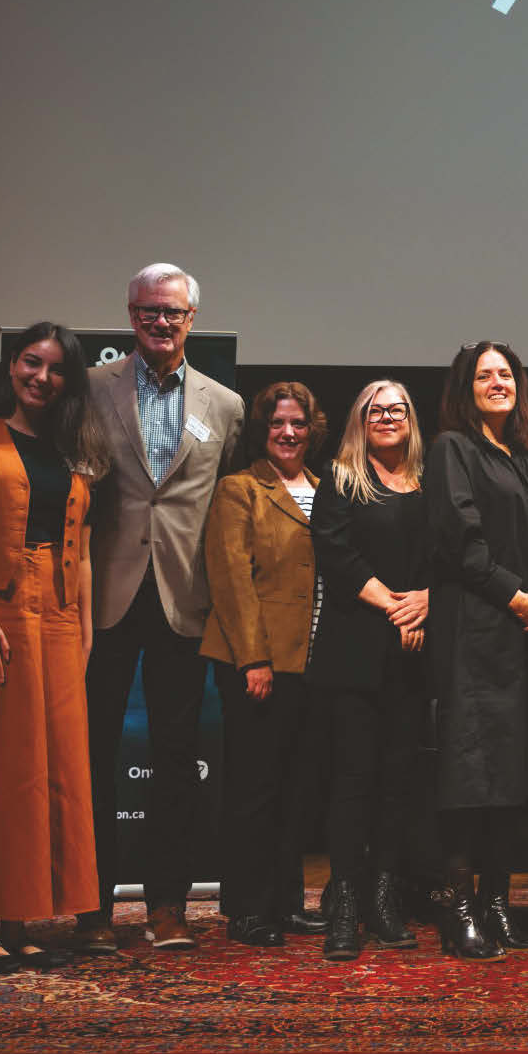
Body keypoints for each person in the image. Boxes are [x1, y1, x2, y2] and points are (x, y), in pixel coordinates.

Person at [0, 323, 108, 970]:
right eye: (32, 362)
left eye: (57, 369)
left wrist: (84, 630)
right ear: (11, 364)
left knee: (40, 770)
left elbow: (83, 548)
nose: (42, 377)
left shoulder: (72, 446)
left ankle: (19, 917)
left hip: (55, 621)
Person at [81, 264, 245, 952]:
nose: (160, 321)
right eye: (148, 309)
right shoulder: (92, 387)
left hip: (183, 597)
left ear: (191, 319)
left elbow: (226, 507)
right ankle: (91, 910)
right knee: (92, 750)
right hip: (104, 597)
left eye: (172, 311)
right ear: (130, 314)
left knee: (177, 755)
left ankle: (169, 905)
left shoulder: (225, 405)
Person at [425, 341, 528, 960]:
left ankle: (496, 904)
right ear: (465, 388)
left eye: (506, 374)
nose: (498, 383)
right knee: (473, 778)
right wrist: (518, 600)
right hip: (478, 635)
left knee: (515, 779)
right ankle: (458, 909)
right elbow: (460, 542)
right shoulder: (452, 450)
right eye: (484, 375)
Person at [307, 380, 442, 961]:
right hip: (353, 653)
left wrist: (427, 602)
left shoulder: (432, 482)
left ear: (412, 418)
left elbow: (447, 556)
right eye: (375, 410)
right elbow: (336, 554)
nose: (387, 417)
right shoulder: (340, 478)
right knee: (353, 782)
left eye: (397, 409)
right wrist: (396, 607)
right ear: (359, 421)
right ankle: (345, 905)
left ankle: (385, 901)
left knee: (398, 783)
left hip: (414, 654)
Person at [200, 382, 327, 949]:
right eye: (277, 423)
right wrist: (254, 658)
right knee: (254, 789)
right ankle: (248, 909)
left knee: (296, 789)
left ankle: (286, 902)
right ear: (262, 429)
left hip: (310, 662)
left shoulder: (326, 489)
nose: (288, 433)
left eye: (298, 423)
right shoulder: (239, 489)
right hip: (257, 662)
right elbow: (231, 578)